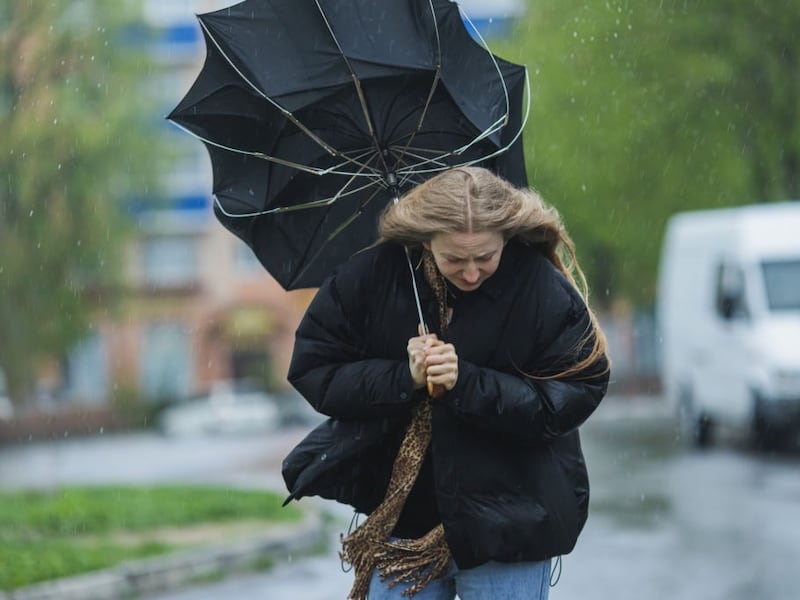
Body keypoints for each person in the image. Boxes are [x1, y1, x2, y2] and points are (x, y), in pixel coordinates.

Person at [282, 166, 610, 600]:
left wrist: (467, 382)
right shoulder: (371, 277)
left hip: (509, 525)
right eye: (454, 259)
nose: (472, 273)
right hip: (402, 528)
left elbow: (572, 393)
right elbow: (316, 371)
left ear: (506, 237)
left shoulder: (538, 286)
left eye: (486, 257)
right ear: (424, 240)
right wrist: (405, 377)